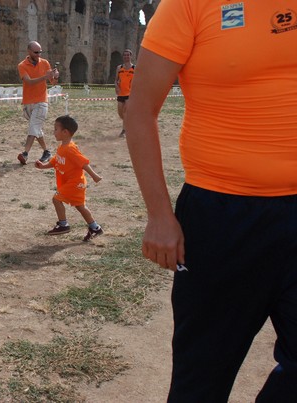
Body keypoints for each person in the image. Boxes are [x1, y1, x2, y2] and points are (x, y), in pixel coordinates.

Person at [124, 0, 297, 401]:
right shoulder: (190, 4)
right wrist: (159, 216)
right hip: (222, 218)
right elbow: (140, 111)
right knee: (200, 380)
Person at [35, 115, 103, 242]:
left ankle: (63, 224)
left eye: (56, 129)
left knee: (56, 199)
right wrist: (43, 166)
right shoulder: (62, 147)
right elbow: (55, 161)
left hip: (75, 183)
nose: (53, 132)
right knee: (80, 206)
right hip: (72, 183)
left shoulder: (71, 149)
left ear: (65, 132)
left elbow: (83, 163)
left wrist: (95, 176)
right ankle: (95, 228)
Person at [16, 41, 59, 165]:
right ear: (29, 51)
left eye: (40, 52)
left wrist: (55, 76)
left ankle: (25, 154)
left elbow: (53, 83)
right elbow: (28, 82)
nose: (39, 54)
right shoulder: (22, 65)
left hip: (41, 101)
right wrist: (45, 77)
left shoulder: (45, 63)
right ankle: (47, 152)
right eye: (36, 52)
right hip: (28, 102)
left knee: (33, 127)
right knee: (36, 128)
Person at [114, 49, 134, 138]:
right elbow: (116, 80)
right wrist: (116, 86)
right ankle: (128, 123)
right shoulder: (119, 68)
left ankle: (124, 131)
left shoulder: (134, 68)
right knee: (120, 113)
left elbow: (138, 81)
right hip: (121, 93)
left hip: (130, 94)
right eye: (125, 55)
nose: (126, 57)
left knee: (126, 112)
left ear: (131, 56)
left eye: (128, 55)